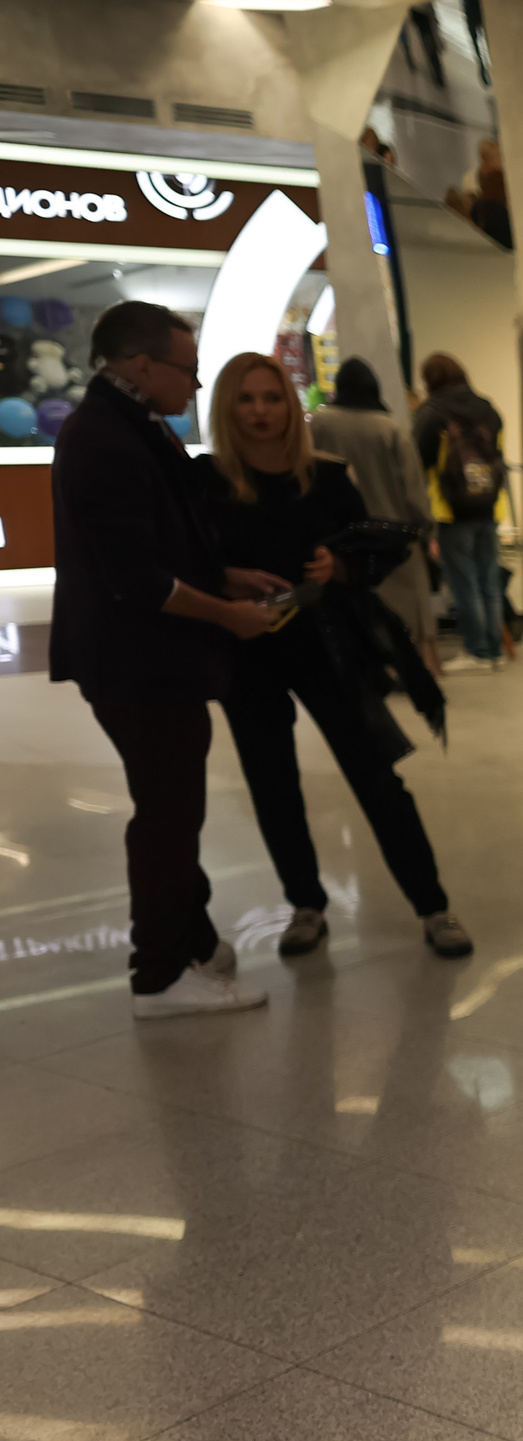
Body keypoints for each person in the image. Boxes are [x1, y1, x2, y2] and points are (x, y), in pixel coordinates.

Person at [198, 351, 473, 960]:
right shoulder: (207, 480)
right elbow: (189, 561)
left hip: (326, 645)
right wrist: (227, 577)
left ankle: (432, 905)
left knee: (376, 777)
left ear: (290, 405)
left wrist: (339, 566)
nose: (261, 411)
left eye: (272, 398)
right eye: (246, 399)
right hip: (248, 648)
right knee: (272, 782)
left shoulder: (324, 475)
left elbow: (370, 551)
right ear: (226, 407)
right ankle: (305, 905)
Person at [49, 301, 281, 1018]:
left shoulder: (133, 425)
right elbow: (137, 578)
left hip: (148, 659)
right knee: (167, 816)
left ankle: (192, 940)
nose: (196, 383)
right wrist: (229, 615)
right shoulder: (105, 439)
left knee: (173, 807)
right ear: (142, 366)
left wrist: (226, 576)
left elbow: (163, 541)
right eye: (187, 369)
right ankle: (158, 973)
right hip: (138, 663)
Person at [310, 358, 441, 679]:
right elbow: (414, 493)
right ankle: (405, 670)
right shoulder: (391, 430)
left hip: (338, 538)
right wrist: (427, 531)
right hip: (394, 538)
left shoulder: (319, 424)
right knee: (404, 612)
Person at [412, 351, 510, 672]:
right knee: (489, 580)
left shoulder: (431, 413)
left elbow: (417, 463)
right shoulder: (488, 409)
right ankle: (494, 650)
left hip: (451, 509)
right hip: (489, 505)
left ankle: (477, 650)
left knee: (464, 582)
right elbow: (499, 453)